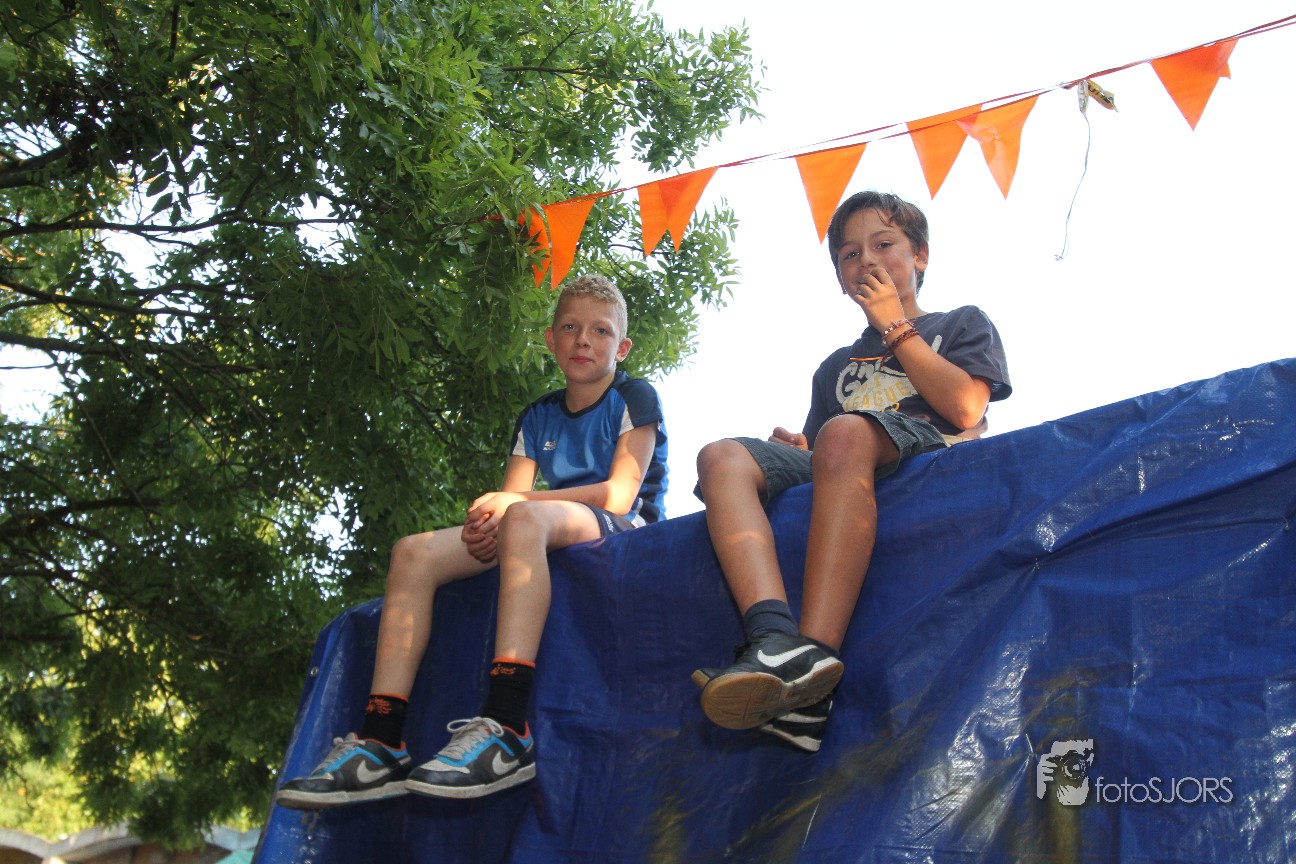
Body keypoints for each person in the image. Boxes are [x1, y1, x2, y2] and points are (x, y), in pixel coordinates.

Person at [276, 274, 668, 807]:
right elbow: (509, 502)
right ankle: (381, 740)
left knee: (521, 519)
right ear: (550, 340)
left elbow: (619, 496)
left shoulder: (634, 396)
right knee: (412, 552)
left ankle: (507, 724)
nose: (583, 340)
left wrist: (514, 508)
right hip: (543, 522)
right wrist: (489, 524)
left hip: (624, 530)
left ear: (621, 348)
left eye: (600, 331)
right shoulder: (539, 415)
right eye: (570, 327)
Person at [691, 190, 1011, 753]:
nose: (867, 260)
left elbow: (966, 409)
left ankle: (815, 655)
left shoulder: (961, 322)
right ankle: (772, 637)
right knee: (721, 456)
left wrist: (896, 327)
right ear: (840, 278)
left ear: (920, 255)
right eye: (850, 254)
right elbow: (825, 451)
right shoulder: (834, 367)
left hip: (931, 445)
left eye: (883, 245)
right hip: (849, 448)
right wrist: (800, 447)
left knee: (844, 433)